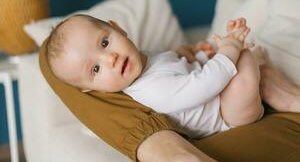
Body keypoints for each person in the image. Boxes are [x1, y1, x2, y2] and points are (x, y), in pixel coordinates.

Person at [46, 14, 265, 139]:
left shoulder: (146, 59)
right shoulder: (151, 91)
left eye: (104, 43)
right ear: (90, 89)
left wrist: (198, 54)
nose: (110, 58)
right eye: (95, 69)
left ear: (118, 29)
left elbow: (177, 67)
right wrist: (230, 48)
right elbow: (205, 83)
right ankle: (266, 83)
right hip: (225, 116)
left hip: (218, 96)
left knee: (246, 61)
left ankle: (269, 84)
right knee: (244, 58)